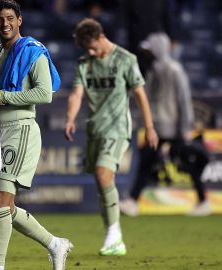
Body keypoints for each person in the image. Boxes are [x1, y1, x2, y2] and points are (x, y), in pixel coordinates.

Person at [0, 1, 72, 270]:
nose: (5, 23)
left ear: (19, 20)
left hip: (21, 130)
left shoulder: (33, 52)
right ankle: (55, 244)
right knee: (3, 205)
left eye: (10, 18)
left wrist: (4, 96)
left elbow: (44, 94)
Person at [64, 18, 159, 256]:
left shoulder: (126, 59)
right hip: (95, 128)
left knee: (102, 172)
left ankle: (114, 234)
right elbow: (76, 94)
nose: (91, 52)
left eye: (93, 47)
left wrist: (149, 126)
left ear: (101, 36)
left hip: (117, 128)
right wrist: (70, 118)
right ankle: (113, 235)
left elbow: (140, 94)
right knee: (102, 180)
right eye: (87, 49)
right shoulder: (85, 62)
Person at [119, 32, 211, 217]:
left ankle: (203, 201)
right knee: (147, 161)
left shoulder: (174, 69)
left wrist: (186, 128)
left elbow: (184, 100)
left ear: (158, 49)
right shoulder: (154, 70)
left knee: (184, 163)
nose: (148, 53)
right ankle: (133, 201)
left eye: (151, 49)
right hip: (158, 128)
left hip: (174, 129)